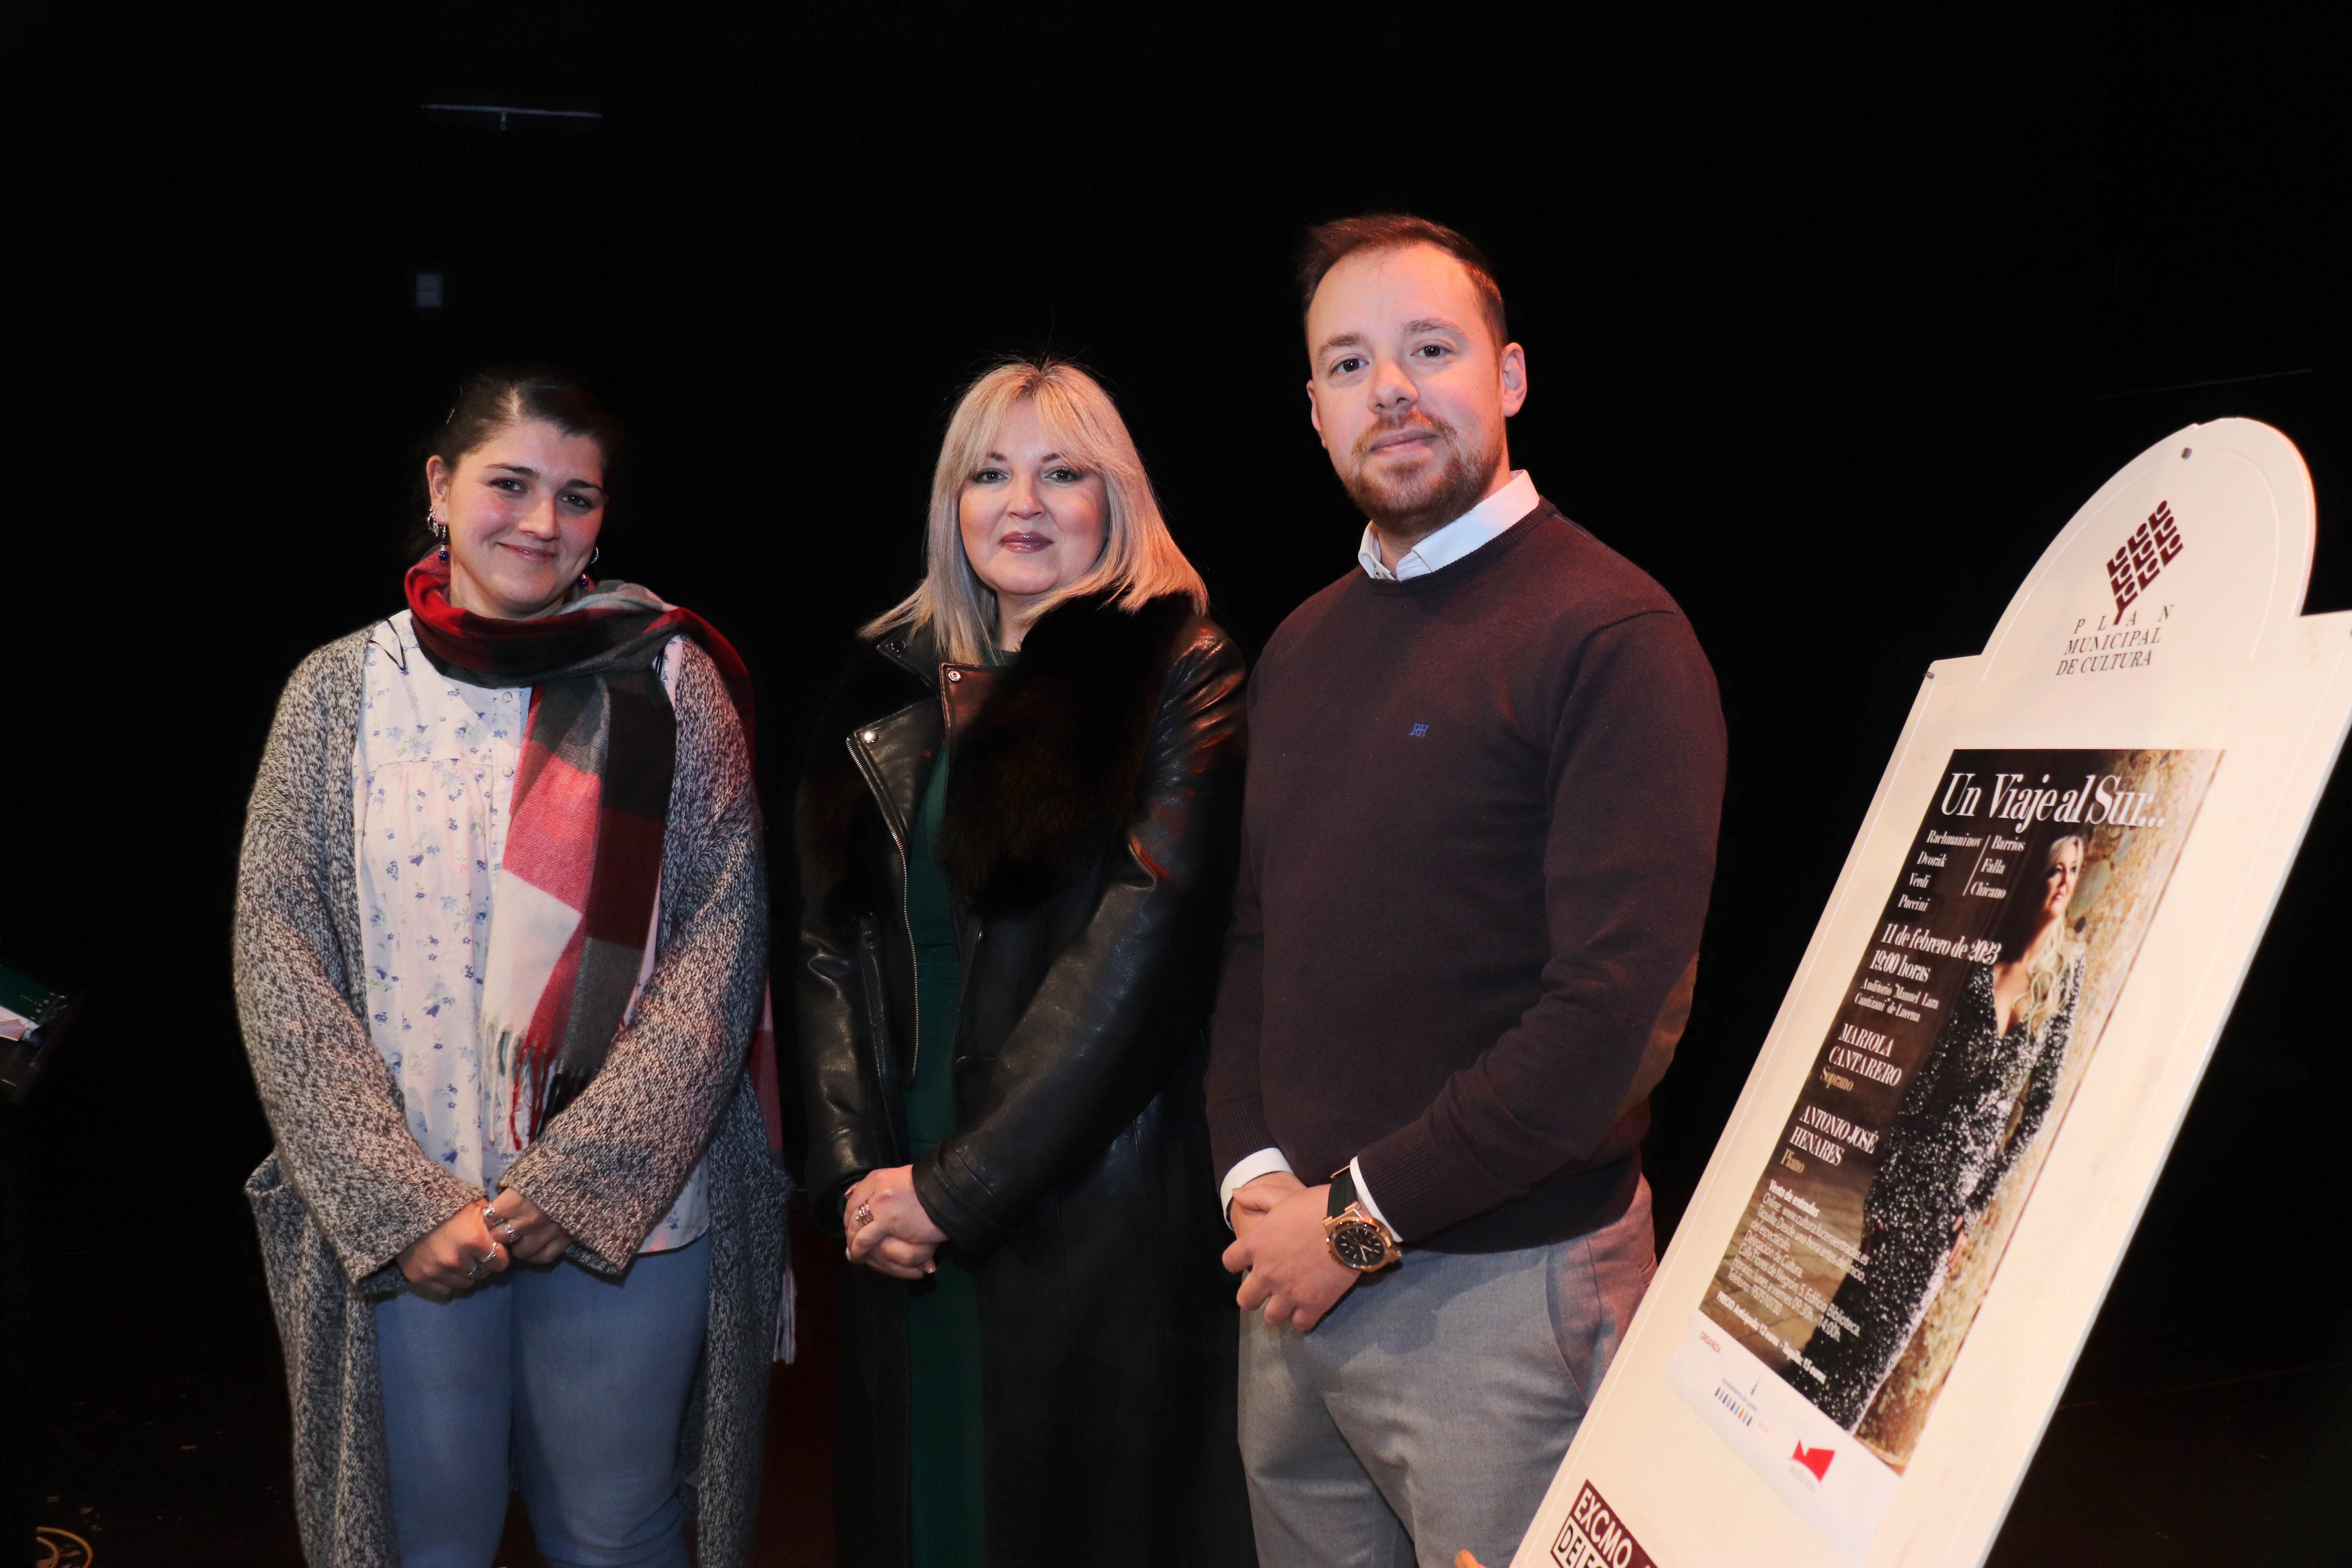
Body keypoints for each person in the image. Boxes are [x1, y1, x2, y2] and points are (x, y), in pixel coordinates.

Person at [1208, 214, 1728, 1568]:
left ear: (1506, 378)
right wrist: (1259, 1182)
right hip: (1294, 1290)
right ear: (1313, 413)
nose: (1391, 389)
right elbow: (1256, 940)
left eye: (1429, 350)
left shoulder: (1612, 634)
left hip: (1506, 1310)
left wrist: (1356, 1226)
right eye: (1348, 363)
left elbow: (1606, 1026)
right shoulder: (1306, 647)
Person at [234, 370, 788, 1568]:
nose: (542, 522)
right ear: (440, 490)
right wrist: (399, 1203)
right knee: (425, 1543)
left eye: (577, 497)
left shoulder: (672, 683)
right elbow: (279, 955)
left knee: (617, 1535)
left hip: (629, 1220)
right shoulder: (338, 694)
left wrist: (585, 1180)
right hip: (412, 1221)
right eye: (511, 484)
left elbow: (722, 944)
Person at [796, 358, 1255, 1568]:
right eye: (989, 474)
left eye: (1064, 474)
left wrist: (957, 1190)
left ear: (1120, 500)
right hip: (895, 1215)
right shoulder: (881, 690)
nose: (1023, 504)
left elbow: (1139, 960)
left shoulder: (1180, 673)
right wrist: (861, 1180)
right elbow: (828, 948)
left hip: (1079, 1214)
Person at [1809, 833, 2087, 1429]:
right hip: (1912, 1170)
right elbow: (1928, 1082)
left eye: (2073, 871)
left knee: (1878, 1351)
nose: (2064, 881)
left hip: (1953, 1203)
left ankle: (1816, 1465)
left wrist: (1978, 1205)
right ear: (2032, 881)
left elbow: (2039, 1106)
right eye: (2053, 871)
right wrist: (1885, 1183)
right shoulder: (1983, 968)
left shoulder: (2066, 974)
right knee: (1846, 1324)